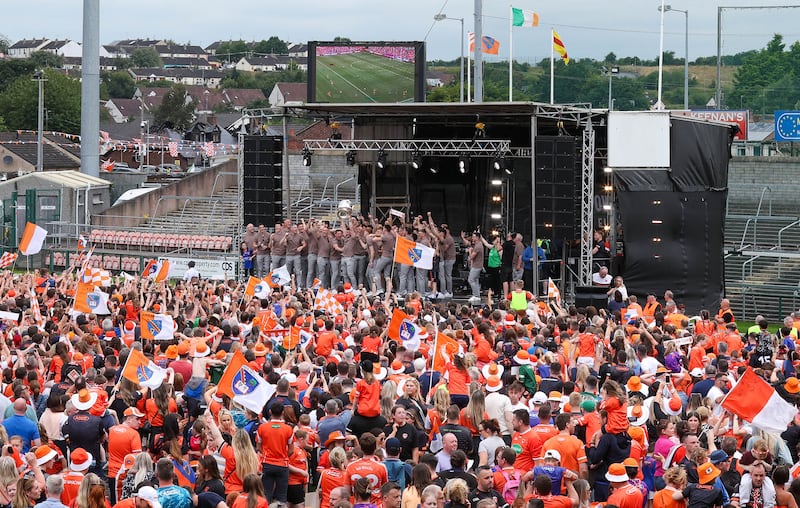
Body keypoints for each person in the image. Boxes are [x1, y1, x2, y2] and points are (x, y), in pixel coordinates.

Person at [257, 402, 293, 504]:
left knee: (266, 494)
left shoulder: (262, 428)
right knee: (281, 497)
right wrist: (284, 456)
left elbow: (259, 447)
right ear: (282, 413)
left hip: (267, 464)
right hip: (282, 465)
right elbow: (291, 450)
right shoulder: (288, 429)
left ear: (270, 412)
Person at [344, 433, 387, 506]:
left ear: (361, 448)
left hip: (357, 505)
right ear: (375, 448)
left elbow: (347, 492)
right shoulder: (381, 467)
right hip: (376, 505)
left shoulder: (351, 466)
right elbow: (385, 490)